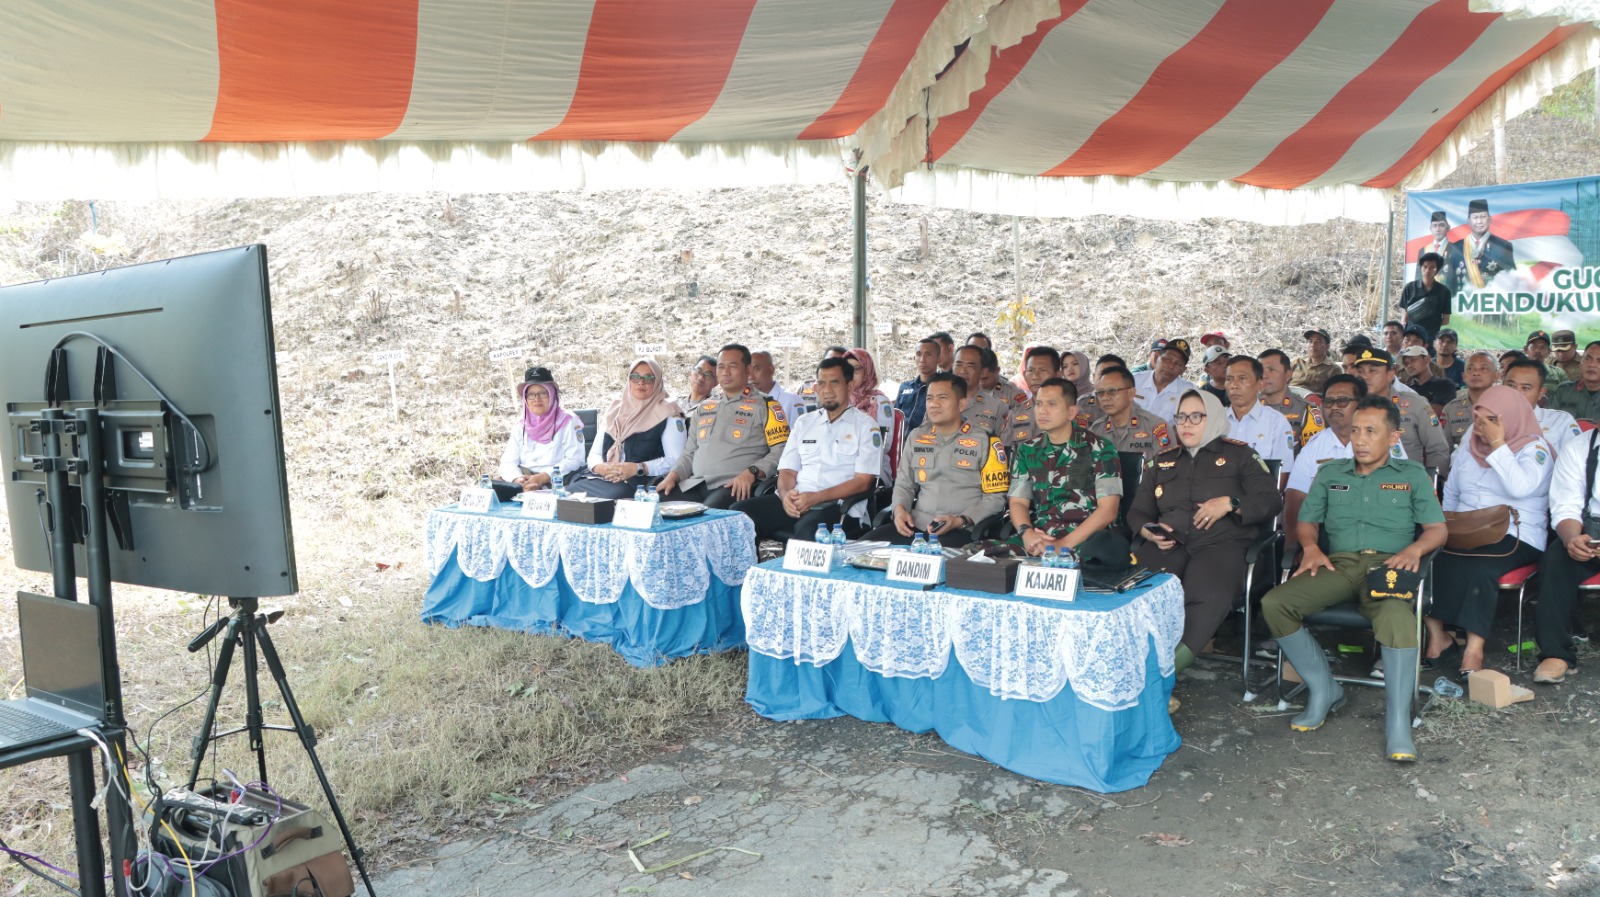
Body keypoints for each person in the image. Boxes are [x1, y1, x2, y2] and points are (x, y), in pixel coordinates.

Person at [1261, 396, 1447, 762]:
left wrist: (1414, 551)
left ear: (1393, 437)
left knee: (1396, 618)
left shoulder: (1411, 476)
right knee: (1275, 603)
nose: (1359, 439)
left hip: (1389, 566)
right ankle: (1324, 689)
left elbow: (1437, 530)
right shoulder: (1332, 472)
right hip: (1339, 564)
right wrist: (1311, 547)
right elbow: (1307, 521)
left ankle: (1398, 724)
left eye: (1371, 431)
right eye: (1356, 430)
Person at [1129, 389, 1281, 687]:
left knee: (1208, 596)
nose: (1187, 424)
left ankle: (1161, 680)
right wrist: (1149, 531)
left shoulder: (1241, 455)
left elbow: (1272, 501)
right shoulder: (1163, 461)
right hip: (1170, 545)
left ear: (1214, 419)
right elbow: (1137, 513)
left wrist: (1231, 503)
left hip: (1222, 546)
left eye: (1197, 417)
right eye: (1181, 417)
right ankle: (1129, 666)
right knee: (1138, 592)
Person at [1424, 385, 1553, 677]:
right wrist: (1448, 526)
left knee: (1480, 567)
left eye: (1492, 419)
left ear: (1510, 417)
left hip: (1517, 533)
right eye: (1478, 418)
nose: (1481, 426)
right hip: (1468, 528)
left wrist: (1497, 444)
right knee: (1429, 558)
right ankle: (1439, 638)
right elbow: (1454, 490)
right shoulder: (1472, 439)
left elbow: (1519, 487)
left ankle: (1474, 648)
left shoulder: (1535, 448)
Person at [731, 357, 882, 541]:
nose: (827, 390)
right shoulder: (804, 423)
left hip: (839, 506)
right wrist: (786, 496)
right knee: (739, 515)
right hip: (797, 501)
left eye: (835, 382)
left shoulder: (866, 426)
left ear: (849, 386)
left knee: (808, 530)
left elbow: (863, 481)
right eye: (821, 383)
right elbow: (787, 470)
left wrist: (817, 497)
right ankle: (752, 570)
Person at [863, 372, 1007, 547]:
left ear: (962, 404)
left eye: (943, 398)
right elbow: (904, 484)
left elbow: (995, 498)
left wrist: (960, 520)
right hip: (916, 525)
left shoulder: (987, 440)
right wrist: (899, 510)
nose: (934, 404)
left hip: (961, 530)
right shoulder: (917, 436)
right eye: (929, 398)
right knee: (861, 550)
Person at [1005, 377, 1126, 564]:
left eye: (1052, 404)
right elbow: (1018, 501)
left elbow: (1108, 511)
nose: (1042, 411)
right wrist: (1026, 532)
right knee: (980, 556)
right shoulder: (1027, 450)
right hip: (1040, 538)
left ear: (1071, 412)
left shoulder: (1100, 448)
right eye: (1038, 404)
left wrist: (1064, 544)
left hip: (1084, 540)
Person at [659, 344, 789, 508]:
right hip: (695, 483)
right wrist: (673, 475)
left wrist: (753, 471)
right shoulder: (705, 407)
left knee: (709, 515)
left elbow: (782, 449)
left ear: (748, 369)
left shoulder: (767, 405)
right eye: (721, 367)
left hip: (733, 486)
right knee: (655, 505)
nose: (725, 372)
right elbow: (690, 452)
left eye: (732, 366)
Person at [1283, 375, 1408, 537]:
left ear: (1360, 404)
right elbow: (1295, 497)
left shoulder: (1384, 441)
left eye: (1342, 401)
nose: (1334, 407)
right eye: (1328, 401)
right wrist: (1294, 542)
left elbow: (1400, 489)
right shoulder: (1313, 447)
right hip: (1325, 534)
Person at [1532, 423, 1600, 684]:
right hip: (1590, 531)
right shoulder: (1579, 448)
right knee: (1556, 559)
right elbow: (1566, 505)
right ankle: (1556, 654)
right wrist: (1573, 539)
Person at [569, 358, 685, 499]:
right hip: (603, 477)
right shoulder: (615, 410)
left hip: (638, 483)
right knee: (568, 494)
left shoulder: (669, 413)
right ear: (628, 380)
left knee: (606, 500)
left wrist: (638, 468)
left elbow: (676, 459)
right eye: (635, 376)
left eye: (649, 378)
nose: (641, 382)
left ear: (658, 382)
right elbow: (594, 454)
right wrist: (600, 467)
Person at [1352, 347, 1451, 475]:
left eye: (1372, 371)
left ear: (1390, 374)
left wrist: (1429, 484)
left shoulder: (1415, 404)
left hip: (1405, 485)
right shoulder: (1351, 407)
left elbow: (1438, 449)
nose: (1365, 376)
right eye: (1360, 371)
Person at [497, 366, 587, 491]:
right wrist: (518, 480)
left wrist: (544, 477)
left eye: (543, 393)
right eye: (531, 394)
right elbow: (507, 463)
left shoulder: (569, 421)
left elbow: (576, 460)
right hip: (525, 485)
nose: (537, 399)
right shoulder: (520, 426)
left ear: (553, 395)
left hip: (559, 483)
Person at [1222, 356, 1295, 472]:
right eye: (1229, 379)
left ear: (1260, 385)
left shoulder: (1276, 423)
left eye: (1242, 378)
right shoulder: (1214, 421)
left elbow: (1283, 474)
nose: (1234, 385)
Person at [1086, 365, 1172, 458]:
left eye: (1112, 391)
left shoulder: (1156, 428)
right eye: (1101, 393)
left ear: (1131, 393)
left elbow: (1167, 467)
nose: (1105, 398)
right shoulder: (1095, 431)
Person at [1501, 359, 1583, 457]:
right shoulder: (1487, 420)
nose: (1516, 394)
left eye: (1525, 388)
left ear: (1541, 393)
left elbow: (1578, 462)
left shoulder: (1561, 422)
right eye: (1511, 385)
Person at [956, 345, 1029, 444]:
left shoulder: (1004, 401)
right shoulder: (939, 400)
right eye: (958, 365)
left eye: (985, 378)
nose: (963, 371)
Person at [845, 347, 897, 478]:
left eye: (856, 369)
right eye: (846, 369)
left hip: (873, 471)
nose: (850, 374)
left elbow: (883, 444)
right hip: (843, 466)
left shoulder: (879, 401)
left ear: (867, 370)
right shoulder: (840, 400)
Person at [1259, 348, 1325, 451]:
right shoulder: (1248, 408)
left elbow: (1315, 455)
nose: (1264, 375)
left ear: (1288, 374)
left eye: (1271, 370)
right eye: (1260, 371)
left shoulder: (1306, 411)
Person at [1448, 198, 1516, 291]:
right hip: (1464, 303)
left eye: (1483, 217)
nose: (1479, 221)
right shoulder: (1456, 247)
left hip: (1493, 302)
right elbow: (1451, 284)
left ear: (1489, 219)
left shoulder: (1503, 246)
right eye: (1475, 217)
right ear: (1469, 221)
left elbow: (1511, 281)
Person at [1132, 338, 1197, 422]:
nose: (1171, 366)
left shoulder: (1188, 393)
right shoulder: (1134, 381)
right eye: (1167, 359)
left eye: (1178, 363)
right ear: (1157, 357)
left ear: (1183, 370)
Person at [1441, 351, 1497, 448]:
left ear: (1496, 376)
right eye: (1470, 369)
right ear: (1463, 376)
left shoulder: (1506, 407)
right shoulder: (1451, 409)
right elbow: (1444, 448)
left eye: (1483, 369)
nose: (1476, 373)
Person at [1399, 252, 1450, 340]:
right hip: (1410, 336)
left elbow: (1446, 320)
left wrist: (1430, 326)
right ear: (1421, 268)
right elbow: (1406, 315)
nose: (1427, 270)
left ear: (1437, 270)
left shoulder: (1444, 292)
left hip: (1430, 338)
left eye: (1432, 267)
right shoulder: (1409, 288)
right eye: (1425, 267)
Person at [895, 337, 940, 432]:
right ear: (914, 358)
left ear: (938, 358)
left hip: (928, 443)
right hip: (902, 443)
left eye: (928, 354)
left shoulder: (945, 388)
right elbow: (895, 417)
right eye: (919, 354)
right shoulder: (905, 387)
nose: (922, 359)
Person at [750, 350, 805, 426]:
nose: (751, 376)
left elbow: (800, 435)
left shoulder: (791, 400)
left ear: (771, 370)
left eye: (756, 369)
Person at [1550, 340, 1600, 424]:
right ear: (1581, 362)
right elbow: (1551, 424)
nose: (1592, 364)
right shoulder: (1564, 391)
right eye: (1587, 359)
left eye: (1599, 360)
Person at [1398, 346, 1456, 415]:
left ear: (1427, 359)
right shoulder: (1406, 389)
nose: (1409, 366)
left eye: (1413, 360)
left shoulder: (1445, 385)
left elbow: (1433, 414)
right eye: (1405, 363)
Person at [1291, 329, 1339, 394]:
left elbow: (1334, 394)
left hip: (1313, 402)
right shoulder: (1296, 362)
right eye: (1310, 341)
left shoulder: (1333, 369)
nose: (1313, 345)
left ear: (1327, 346)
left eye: (1318, 341)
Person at [1415, 211, 1452, 289]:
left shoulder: (1455, 249)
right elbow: (1418, 278)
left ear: (1448, 228)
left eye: (1441, 225)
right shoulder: (1423, 250)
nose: (1438, 229)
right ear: (1430, 229)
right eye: (1434, 226)